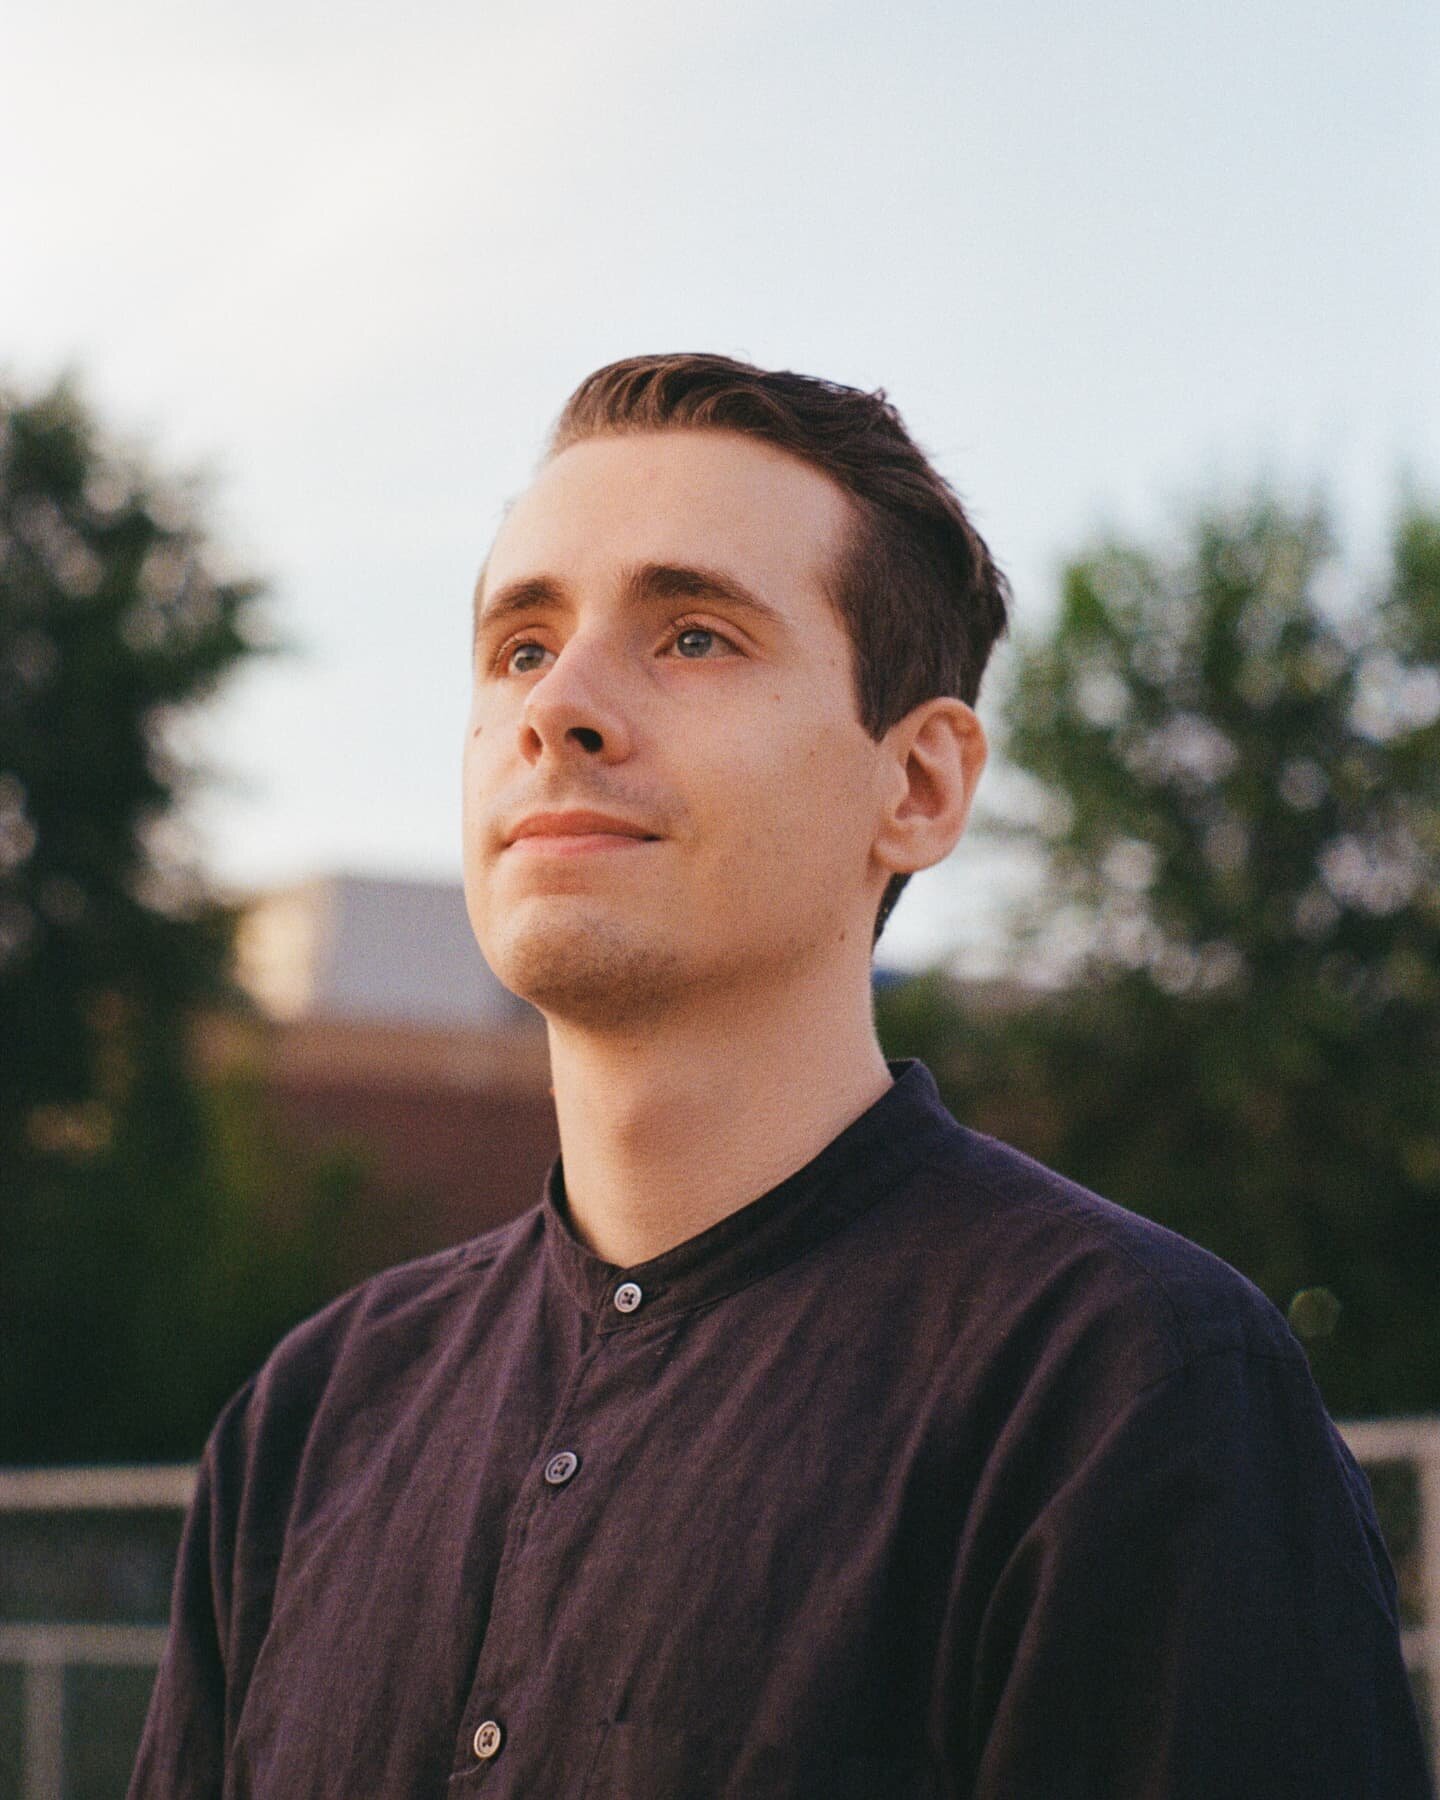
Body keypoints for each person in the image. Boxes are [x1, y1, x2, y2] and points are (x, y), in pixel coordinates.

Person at [131, 353, 1430, 1799]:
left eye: (692, 637)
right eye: (519, 648)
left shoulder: (1127, 1387)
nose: (559, 706)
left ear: (920, 786)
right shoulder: (311, 1420)